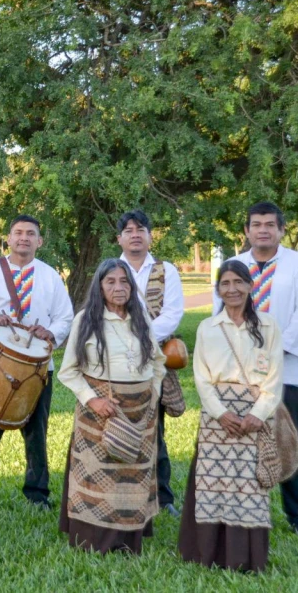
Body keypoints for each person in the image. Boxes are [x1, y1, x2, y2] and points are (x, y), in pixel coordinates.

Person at [214, 201, 298, 537]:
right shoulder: (235, 265)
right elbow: (221, 313)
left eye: (270, 224)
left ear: (281, 230)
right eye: (256, 224)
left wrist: (270, 354)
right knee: (241, 443)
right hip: (241, 374)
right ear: (246, 231)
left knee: (294, 442)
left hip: (288, 371)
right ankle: (243, 509)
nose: (263, 229)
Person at [179, 260, 284, 572]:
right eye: (225, 283)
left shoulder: (268, 326)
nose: (232, 289)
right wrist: (221, 413)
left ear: (250, 287)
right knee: (213, 483)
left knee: (250, 484)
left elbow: (275, 376)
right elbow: (201, 377)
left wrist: (258, 414)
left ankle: (246, 557)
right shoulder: (207, 328)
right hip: (217, 420)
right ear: (218, 289)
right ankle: (207, 552)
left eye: (239, 282)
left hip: (255, 417)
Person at [57, 258, 166, 554]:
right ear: (100, 287)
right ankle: (96, 538)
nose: (119, 288)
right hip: (99, 413)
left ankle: (130, 537)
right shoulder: (87, 320)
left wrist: (151, 396)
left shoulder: (140, 318)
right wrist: (93, 399)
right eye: (111, 282)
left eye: (124, 282)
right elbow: (68, 370)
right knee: (100, 476)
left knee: (133, 475)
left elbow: (158, 362)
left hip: (140, 414)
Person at [0, 215, 74, 508]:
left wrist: (50, 333)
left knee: (36, 430)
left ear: (39, 241)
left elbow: (64, 316)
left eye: (31, 234)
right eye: (18, 233)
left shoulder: (50, 275)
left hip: (38, 367)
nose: (24, 238)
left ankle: (37, 493)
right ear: (8, 238)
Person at [116, 209, 185, 516]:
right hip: (116, 362)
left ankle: (164, 497)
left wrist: (140, 339)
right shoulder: (111, 269)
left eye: (141, 229)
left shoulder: (166, 270)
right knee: (120, 424)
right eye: (129, 230)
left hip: (154, 361)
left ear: (150, 235)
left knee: (154, 429)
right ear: (119, 237)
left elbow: (173, 313)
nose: (135, 234)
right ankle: (122, 490)